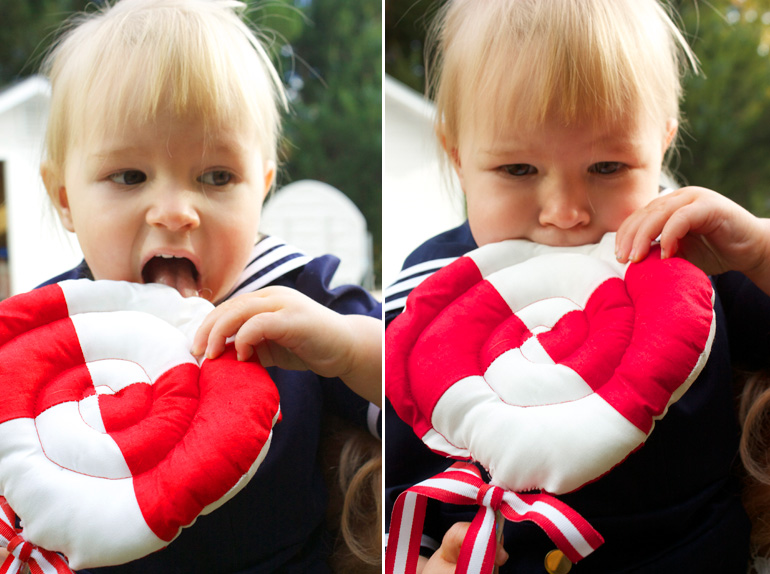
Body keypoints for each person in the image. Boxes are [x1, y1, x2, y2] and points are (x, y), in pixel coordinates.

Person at [384, 0, 770, 572]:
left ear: (661, 143)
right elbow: (395, 471)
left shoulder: (691, 257)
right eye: (518, 170)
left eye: (608, 168)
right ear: (458, 156)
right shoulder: (428, 294)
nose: (566, 213)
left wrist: (759, 251)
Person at [4, 0, 383, 572]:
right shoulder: (55, 326)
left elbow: (423, 385)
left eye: (216, 177)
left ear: (262, 186)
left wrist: (351, 349)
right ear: (64, 198)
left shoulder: (297, 297)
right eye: (129, 176)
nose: (176, 211)